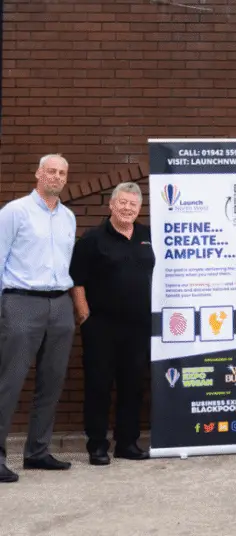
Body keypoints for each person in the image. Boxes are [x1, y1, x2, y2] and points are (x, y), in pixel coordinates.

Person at [0, 154, 77, 483]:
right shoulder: (15, 211)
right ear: (38, 174)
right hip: (21, 302)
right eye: (51, 171)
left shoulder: (69, 217)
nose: (57, 177)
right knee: (9, 381)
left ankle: (37, 452)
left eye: (62, 173)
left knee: (51, 382)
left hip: (60, 304)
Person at [69, 182, 154, 466]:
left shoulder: (146, 236)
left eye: (133, 204)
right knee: (99, 385)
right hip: (101, 327)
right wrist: (84, 316)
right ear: (111, 205)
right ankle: (97, 445)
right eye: (123, 203)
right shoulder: (92, 239)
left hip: (138, 326)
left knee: (132, 386)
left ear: (139, 208)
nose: (127, 208)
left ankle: (127, 443)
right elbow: (77, 281)